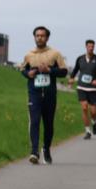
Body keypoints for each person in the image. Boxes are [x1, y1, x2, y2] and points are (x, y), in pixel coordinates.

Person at [20, 26, 68, 164]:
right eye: (37, 35)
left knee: (48, 124)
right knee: (34, 121)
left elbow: (64, 71)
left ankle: (46, 148)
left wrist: (50, 70)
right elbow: (22, 69)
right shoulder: (29, 55)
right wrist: (28, 74)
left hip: (49, 94)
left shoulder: (55, 54)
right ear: (34, 37)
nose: (39, 38)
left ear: (47, 38)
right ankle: (34, 152)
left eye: (42, 35)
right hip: (34, 94)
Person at [68, 39, 96, 138]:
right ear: (86, 47)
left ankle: (94, 122)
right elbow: (75, 70)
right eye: (89, 46)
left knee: (93, 112)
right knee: (84, 108)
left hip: (93, 89)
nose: (91, 48)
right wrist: (71, 78)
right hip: (81, 87)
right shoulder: (80, 58)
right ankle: (87, 131)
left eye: (92, 46)